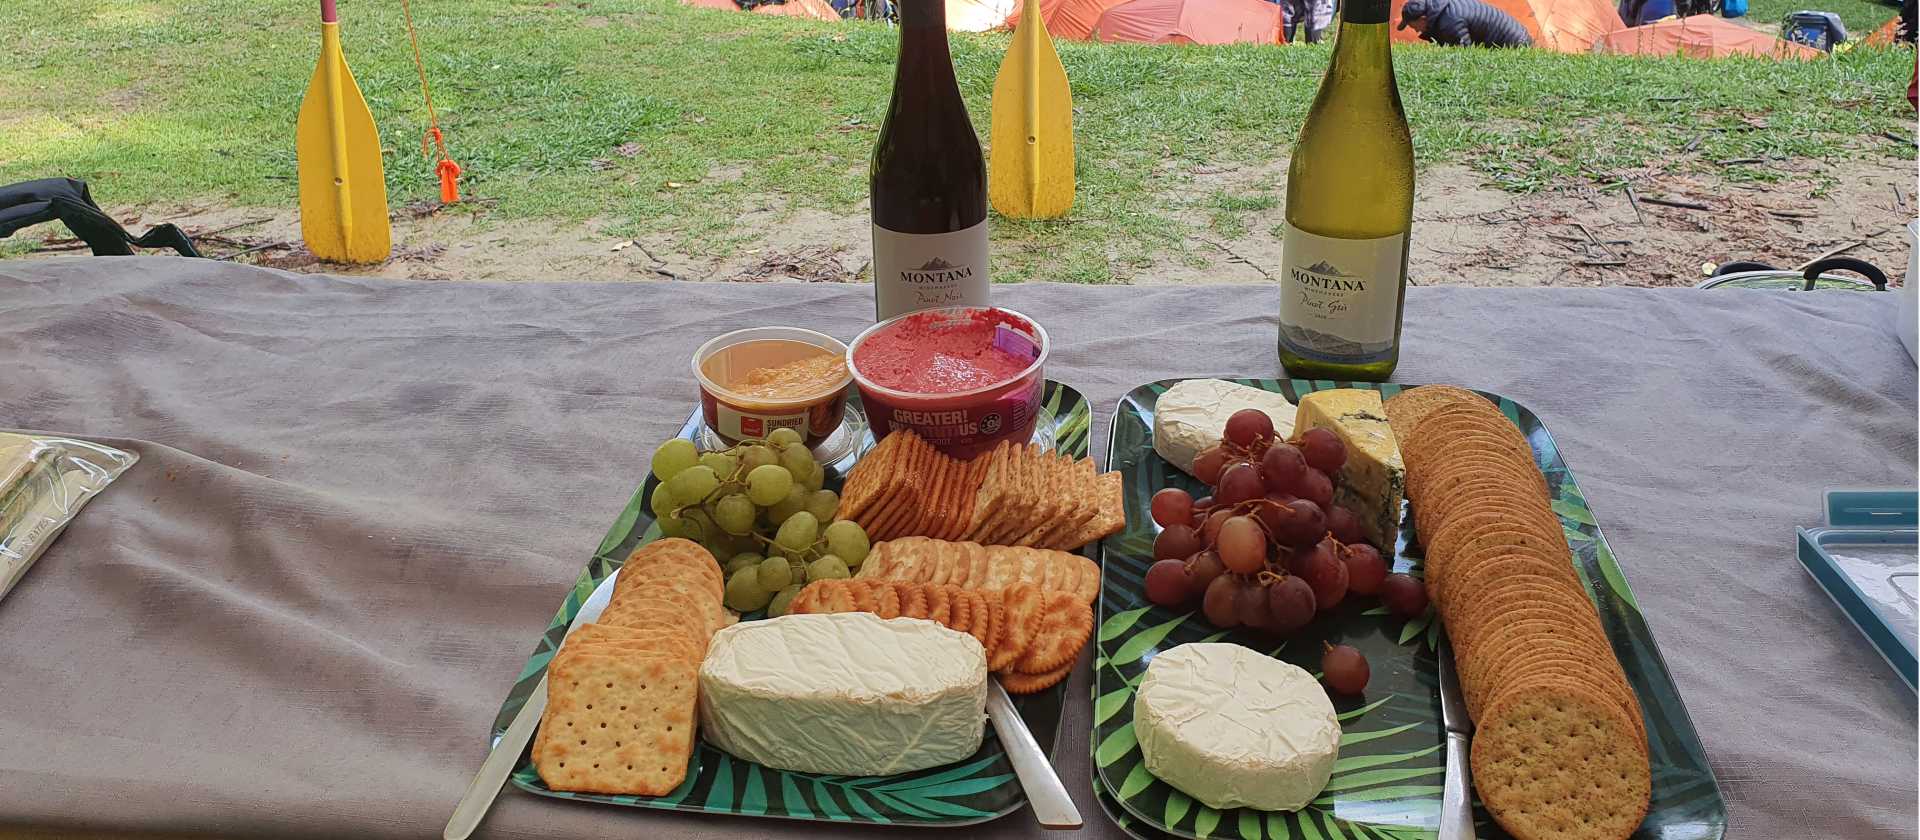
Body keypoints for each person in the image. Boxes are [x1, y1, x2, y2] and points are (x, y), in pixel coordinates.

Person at [1397, 0, 1534, 46]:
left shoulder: (1449, 22)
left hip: (1516, 42)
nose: (1416, 31)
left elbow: (1464, 54)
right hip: (1517, 35)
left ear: (1423, 18)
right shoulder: (1445, 9)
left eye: (1414, 26)